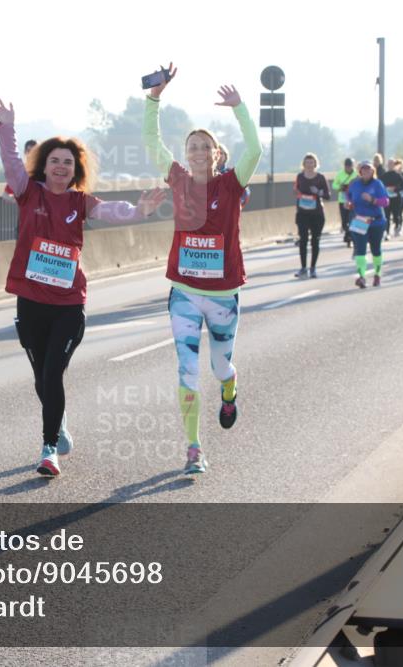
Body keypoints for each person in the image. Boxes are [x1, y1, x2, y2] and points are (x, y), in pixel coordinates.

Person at [0, 96, 164, 477]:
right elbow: (10, 161)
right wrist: (7, 126)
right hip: (31, 301)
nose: (61, 167)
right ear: (45, 165)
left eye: (68, 163)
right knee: (41, 378)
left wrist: (139, 212)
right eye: (54, 160)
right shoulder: (26, 191)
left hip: (69, 304)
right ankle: (60, 421)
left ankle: (48, 448)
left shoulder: (80, 202)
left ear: (75, 170)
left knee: (52, 374)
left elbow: (112, 211)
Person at [143, 63, 262, 476]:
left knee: (219, 367)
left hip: (223, 297)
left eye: (203, 146)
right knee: (187, 369)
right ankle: (194, 447)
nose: (196, 151)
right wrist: (154, 98)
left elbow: (256, 150)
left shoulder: (231, 183)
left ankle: (229, 388)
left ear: (215, 155)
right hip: (185, 293)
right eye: (191, 145)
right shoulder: (175, 179)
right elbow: (150, 140)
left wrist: (239, 108)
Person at [346, 161, 389, 288]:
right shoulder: (355, 184)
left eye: (369, 169)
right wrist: (348, 203)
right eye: (364, 169)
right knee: (360, 250)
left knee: (376, 249)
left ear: (373, 171)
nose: (366, 171)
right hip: (360, 220)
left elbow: (386, 202)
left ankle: (377, 275)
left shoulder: (377, 184)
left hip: (376, 221)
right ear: (360, 171)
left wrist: (373, 200)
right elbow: (348, 196)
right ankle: (362, 277)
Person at [293, 153, 331, 278]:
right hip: (302, 213)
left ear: (315, 164)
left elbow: (328, 196)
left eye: (311, 162)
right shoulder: (300, 177)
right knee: (303, 240)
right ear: (303, 164)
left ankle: (313, 268)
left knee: (315, 241)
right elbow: (296, 190)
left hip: (317, 214)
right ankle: (303, 268)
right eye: (307, 162)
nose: (309, 165)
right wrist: (299, 193)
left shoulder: (320, 177)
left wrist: (318, 192)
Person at [2, 139, 38, 203]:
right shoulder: (20, 173)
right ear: (25, 152)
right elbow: (5, 196)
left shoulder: (46, 171)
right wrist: (21, 201)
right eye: (29, 151)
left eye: (34, 151)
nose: (31, 154)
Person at [332, 158, 358, 247]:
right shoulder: (340, 174)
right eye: (346, 166)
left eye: (350, 166)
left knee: (352, 219)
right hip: (342, 200)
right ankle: (347, 233)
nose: (348, 168)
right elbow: (334, 185)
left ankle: (349, 236)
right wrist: (341, 187)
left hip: (353, 201)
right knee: (344, 221)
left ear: (352, 166)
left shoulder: (356, 174)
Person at [381, 159, 403, 237]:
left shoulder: (398, 175)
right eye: (389, 164)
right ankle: (387, 232)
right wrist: (385, 189)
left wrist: (395, 189)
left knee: (396, 215)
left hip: (396, 198)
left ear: (394, 165)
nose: (390, 165)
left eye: (392, 164)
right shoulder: (384, 175)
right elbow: (379, 186)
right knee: (387, 216)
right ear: (387, 165)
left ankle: (397, 226)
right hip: (387, 199)